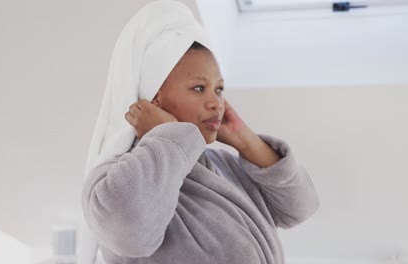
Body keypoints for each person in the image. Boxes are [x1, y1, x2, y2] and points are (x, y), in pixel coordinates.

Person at [80, 1, 319, 263]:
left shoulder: (224, 166)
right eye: (198, 88)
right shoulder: (113, 179)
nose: (217, 103)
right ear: (154, 99)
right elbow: (130, 234)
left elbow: (300, 208)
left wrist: (245, 140)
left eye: (219, 89)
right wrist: (167, 134)